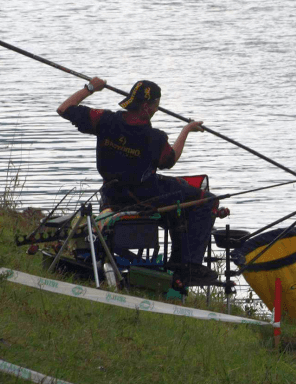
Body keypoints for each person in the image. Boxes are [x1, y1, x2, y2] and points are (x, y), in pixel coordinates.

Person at [56, 77, 218, 284]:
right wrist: (186, 130)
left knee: (183, 189)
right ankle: (189, 266)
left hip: (111, 194)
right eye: (156, 105)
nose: (157, 109)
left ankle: (178, 263)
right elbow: (170, 159)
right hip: (145, 195)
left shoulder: (104, 120)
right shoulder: (155, 138)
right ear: (146, 107)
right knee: (207, 201)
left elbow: (64, 109)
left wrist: (90, 88)